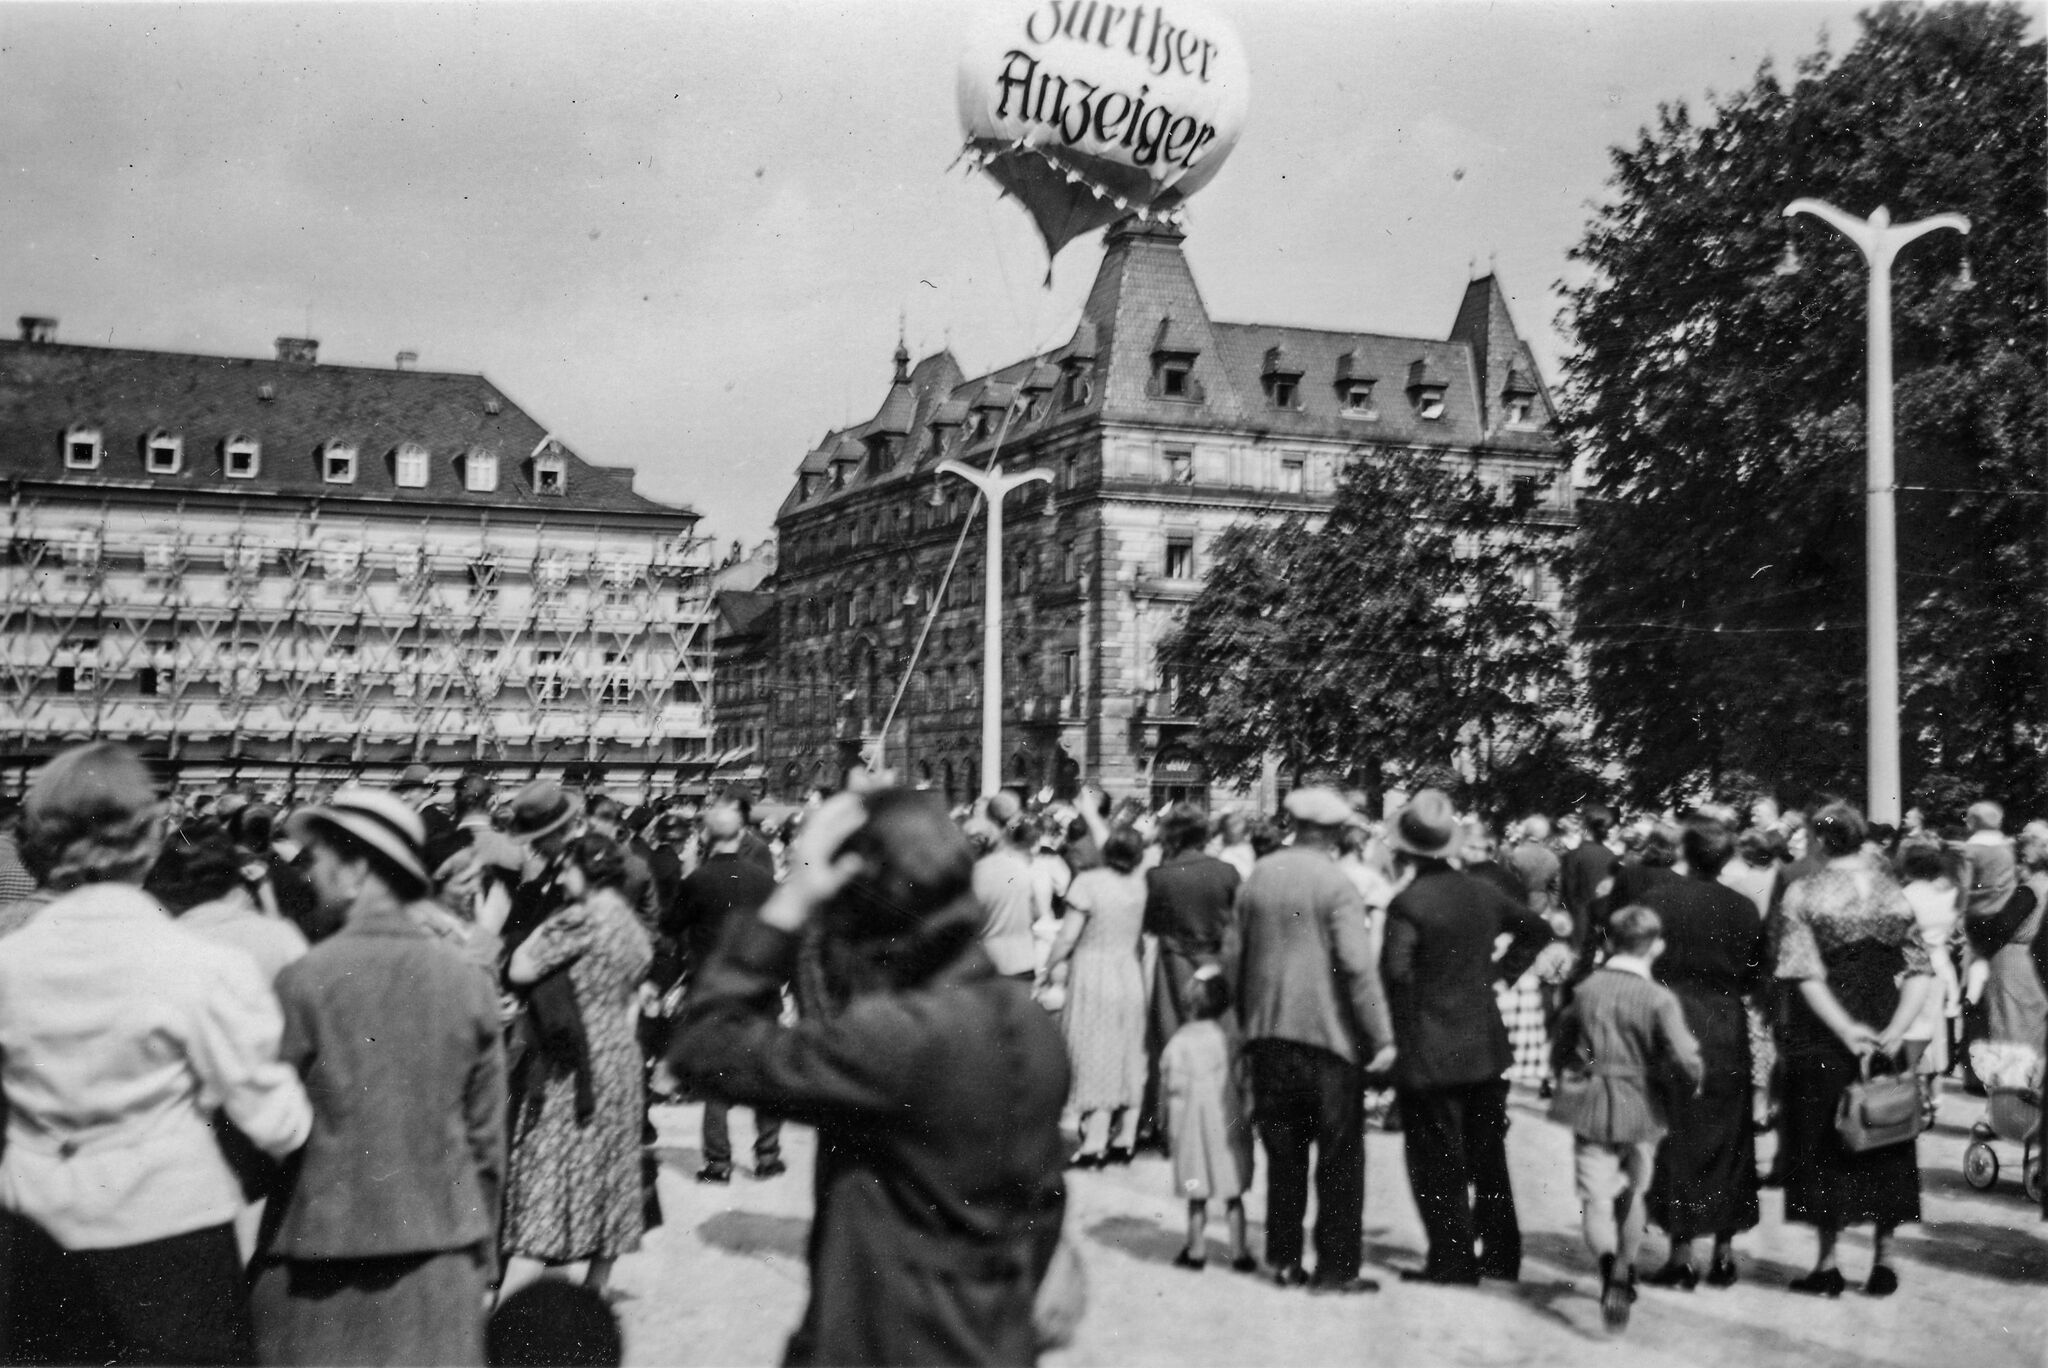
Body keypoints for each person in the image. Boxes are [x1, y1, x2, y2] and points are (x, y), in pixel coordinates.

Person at [666, 787, 1070, 1367]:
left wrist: (794, 896)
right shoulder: (1030, 1023)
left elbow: (705, 1045)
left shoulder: (898, 1038)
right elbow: (1044, 1206)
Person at [0, 743, 311, 1364]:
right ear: (150, 840)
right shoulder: (201, 964)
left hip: (34, 1234)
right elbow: (278, 1122)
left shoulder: (9, 963)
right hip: (171, 1237)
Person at [253, 788, 507, 1366]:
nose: (310, 874)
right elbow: (487, 1142)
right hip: (440, 1262)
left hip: (316, 1265)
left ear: (356, 870)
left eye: (320, 859)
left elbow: (264, 1131)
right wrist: (482, 1257)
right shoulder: (468, 983)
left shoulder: (304, 979)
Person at [1382, 788, 1552, 1286]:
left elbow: (1396, 974)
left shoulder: (1408, 903)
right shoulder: (1483, 892)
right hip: (1483, 1040)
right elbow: (1538, 929)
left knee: (1435, 1156)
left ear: (1407, 849)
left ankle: (1452, 1258)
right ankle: (1501, 1253)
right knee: (1488, 1153)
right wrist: (1501, 973)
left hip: (1429, 1045)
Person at [1234, 786, 1397, 1293]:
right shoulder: (1336, 884)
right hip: (1329, 1038)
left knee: (1283, 1154)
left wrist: (1244, 1023)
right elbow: (1357, 967)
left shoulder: (1259, 875)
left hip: (1268, 1034)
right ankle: (1335, 1268)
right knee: (1339, 1156)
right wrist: (1381, 1036)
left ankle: (1284, 1259)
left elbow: (1233, 956)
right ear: (1336, 833)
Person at [1774, 803, 1935, 1297]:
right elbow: (1919, 970)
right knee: (1886, 1126)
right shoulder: (1893, 893)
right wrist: (1897, 1029)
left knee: (1822, 1135)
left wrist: (1846, 1029)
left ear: (1822, 841)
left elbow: (1804, 972)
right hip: (1885, 1014)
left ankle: (1827, 1265)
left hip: (1825, 1024)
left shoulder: (1804, 892)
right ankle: (1884, 1261)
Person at [502, 835, 653, 1298]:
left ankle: (510, 1304)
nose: (562, 878)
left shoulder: (580, 918)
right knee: (609, 1166)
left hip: (573, 1059)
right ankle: (595, 1289)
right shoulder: (631, 924)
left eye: (568, 869)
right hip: (619, 1055)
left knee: (547, 1168)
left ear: (589, 873)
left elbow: (521, 968)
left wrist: (540, 928)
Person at [1549, 904, 1703, 1332]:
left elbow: (1561, 1042)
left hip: (1592, 1100)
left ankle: (1605, 1264)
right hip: (1641, 1102)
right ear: (1656, 947)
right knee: (1635, 1192)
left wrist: (1565, 1071)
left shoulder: (1586, 989)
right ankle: (1624, 1265)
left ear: (1610, 941)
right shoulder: (1659, 998)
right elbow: (1687, 1056)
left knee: (1595, 1200)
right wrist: (1690, 1084)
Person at [1635, 816, 1766, 1289]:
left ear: (1685, 852)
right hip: (1725, 1025)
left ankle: (1682, 1254)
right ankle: (1725, 1254)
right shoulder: (1743, 908)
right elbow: (1755, 974)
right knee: (1731, 1137)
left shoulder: (1657, 900)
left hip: (1673, 1022)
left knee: (1678, 1134)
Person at [666, 802, 785, 1183]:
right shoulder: (765, 880)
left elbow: (670, 924)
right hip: (759, 986)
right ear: (742, 834)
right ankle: (768, 1156)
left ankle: (718, 1162)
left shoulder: (698, 880)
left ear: (705, 835)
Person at [1046, 826, 1151, 1166]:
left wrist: (1051, 965)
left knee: (1092, 1052)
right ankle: (1125, 1137)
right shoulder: (1141, 884)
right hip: (1129, 971)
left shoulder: (1088, 883)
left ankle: (1093, 1142)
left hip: (1093, 973)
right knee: (1127, 1053)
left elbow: (1067, 935)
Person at [1160, 965, 1256, 1273]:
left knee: (1196, 1192)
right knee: (1233, 1192)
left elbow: (1171, 1088)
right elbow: (1243, 1080)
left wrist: (1166, 1124)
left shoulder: (1178, 1043)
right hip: (1227, 1124)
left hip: (1191, 1129)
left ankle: (1196, 1250)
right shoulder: (1230, 1040)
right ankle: (1239, 1252)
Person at [1144, 802, 1242, 1069]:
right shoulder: (1227, 872)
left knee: (1174, 1037)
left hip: (1175, 965)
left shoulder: (1158, 877)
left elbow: (1151, 924)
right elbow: (1238, 920)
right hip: (1218, 961)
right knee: (1219, 1036)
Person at [973, 793, 1042, 984]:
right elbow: (1037, 912)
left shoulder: (979, 871)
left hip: (991, 961)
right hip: (1024, 959)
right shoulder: (1026, 866)